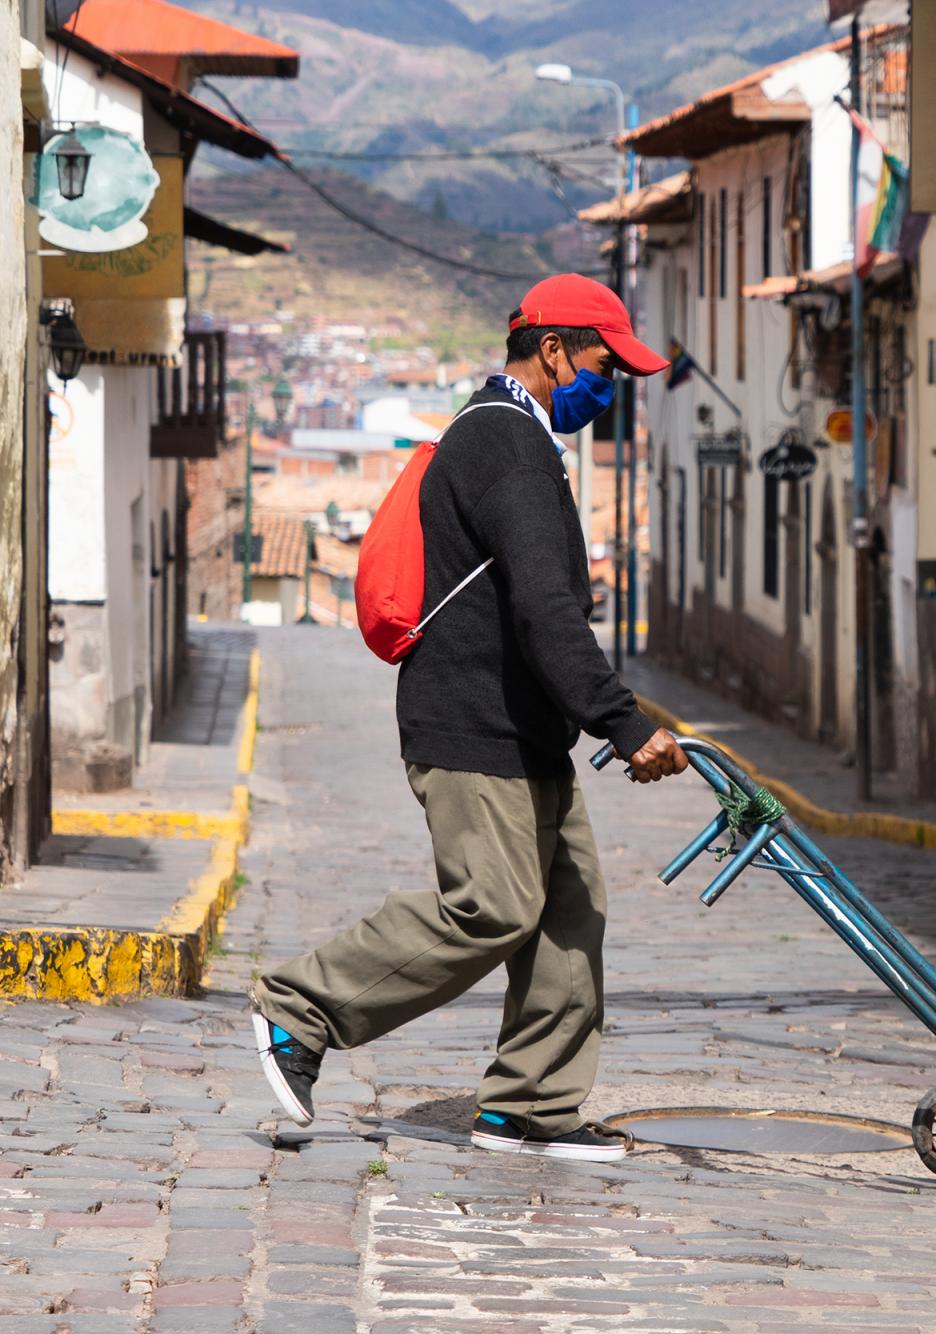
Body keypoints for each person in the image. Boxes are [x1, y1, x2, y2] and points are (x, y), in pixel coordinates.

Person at [249, 274, 689, 1164]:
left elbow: (539, 604)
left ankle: (528, 1107)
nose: (612, 387)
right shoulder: (507, 445)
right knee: (493, 906)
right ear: (555, 349)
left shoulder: (513, 436)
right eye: (606, 364)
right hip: (474, 724)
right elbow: (545, 609)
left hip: (524, 729)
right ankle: (299, 1010)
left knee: (571, 910)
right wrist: (623, 720)